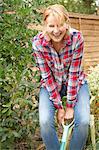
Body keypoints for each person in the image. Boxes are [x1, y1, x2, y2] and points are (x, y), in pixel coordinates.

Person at [32, 4, 90, 150]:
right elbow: (46, 75)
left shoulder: (77, 38)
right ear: (45, 25)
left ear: (67, 23)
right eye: (51, 26)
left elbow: (74, 74)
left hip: (76, 82)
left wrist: (69, 106)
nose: (56, 31)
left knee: (83, 122)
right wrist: (59, 107)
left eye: (60, 25)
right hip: (51, 84)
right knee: (45, 121)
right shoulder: (38, 43)